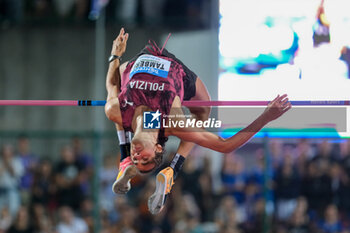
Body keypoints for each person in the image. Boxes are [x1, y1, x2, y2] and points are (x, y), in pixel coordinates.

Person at [104, 28, 291, 214]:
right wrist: (266, 117)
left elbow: (112, 85)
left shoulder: (116, 111)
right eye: (145, 158)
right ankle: (173, 169)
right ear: (158, 147)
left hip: (138, 62)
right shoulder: (172, 122)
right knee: (204, 109)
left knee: (119, 87)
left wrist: (114, 55)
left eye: (136, 160)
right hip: (173, 68)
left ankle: (124, 159)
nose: (138, 156)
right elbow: (226, 146)